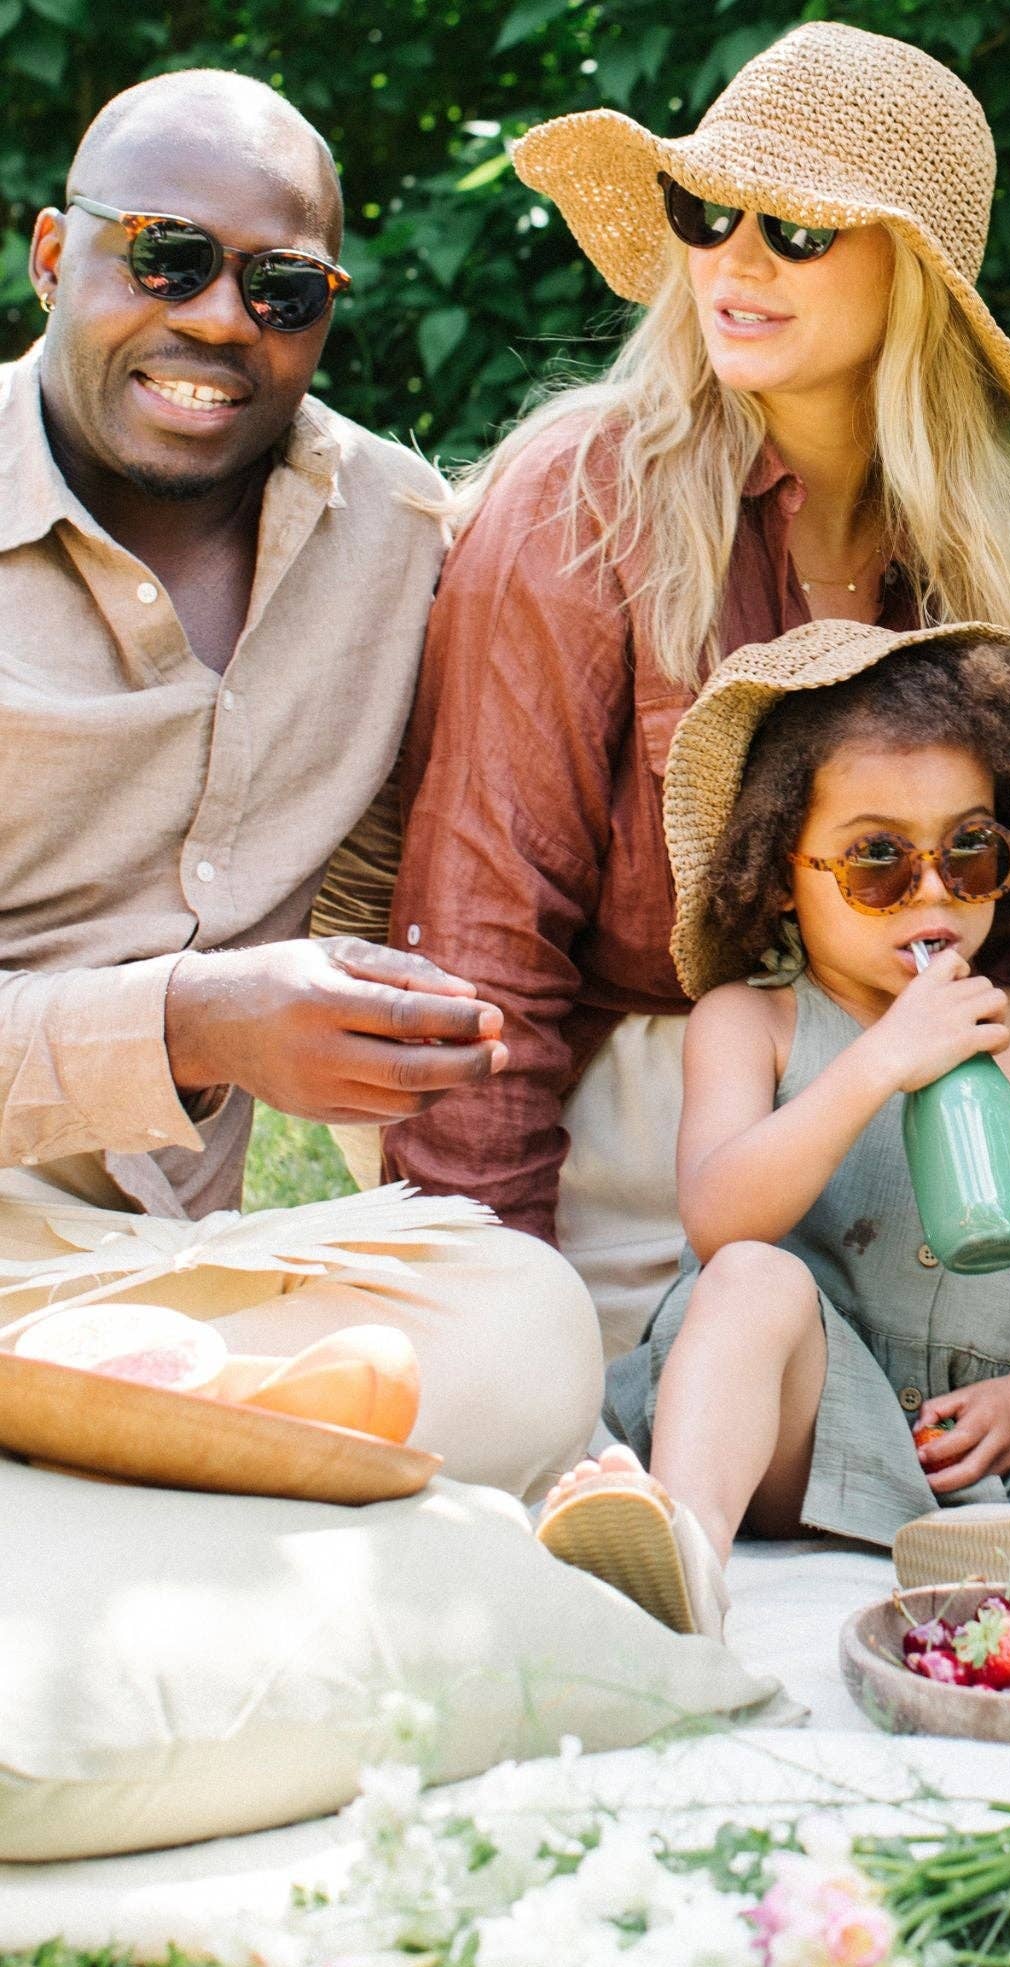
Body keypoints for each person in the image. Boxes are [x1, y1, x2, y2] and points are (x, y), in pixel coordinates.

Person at [378, 22, 1010, 1363]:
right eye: (708, 210)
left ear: (919, 278)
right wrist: (480, 1285)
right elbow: (486, 946)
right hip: (654, 1147)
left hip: (946, 1141)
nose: (736, 259)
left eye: (801, 228)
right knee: (524, 1371)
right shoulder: (585, 509)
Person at [2, 70, 600, 1498]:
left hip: (176, 1276)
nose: (217, 319)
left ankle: (156, 1453)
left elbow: (487, 863)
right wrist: (192, 1026)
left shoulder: (398, 539)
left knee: (529, 1333)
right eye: (166, 257)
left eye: (281, 288)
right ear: (47, 256)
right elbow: (212, 1023)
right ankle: (219, 1468)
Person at [535, 621, 1010, 1634]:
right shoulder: (753, 1022)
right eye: (877, 861)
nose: (931, 892)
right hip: (816, 1408)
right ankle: (686, 1548)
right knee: (750, 1277)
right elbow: (717, 1216)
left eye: (968, 852)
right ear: (784, 872)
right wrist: (881, 1058)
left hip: (996, 1433)